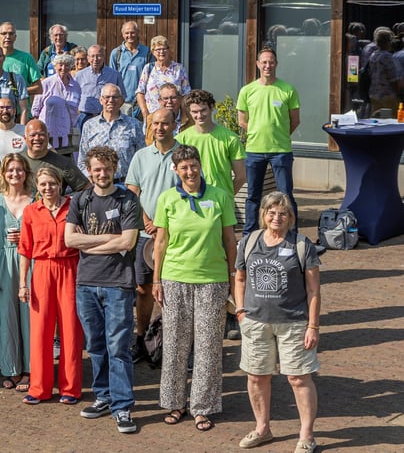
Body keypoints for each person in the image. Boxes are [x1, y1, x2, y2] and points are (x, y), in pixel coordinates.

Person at [152, 144, 237, 432]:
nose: (190, 172)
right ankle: (174, 403)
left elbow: (230, 240)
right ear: (176, 170)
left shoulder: (220, 196)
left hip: (212, 279)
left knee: (208, 346)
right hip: (175, 278)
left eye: (193, 165)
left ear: (200, 166)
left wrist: (232, 277)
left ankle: (203, 406)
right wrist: (156, 279)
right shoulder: (167, 199)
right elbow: (160, 243)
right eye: (184, 167)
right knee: (175, 344)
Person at [234, 191, 322, 453]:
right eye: (271, 212)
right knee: (256, 377)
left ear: (290, 217)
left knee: (298, 378)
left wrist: (313, 326)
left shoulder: (302, 245)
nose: (276, 217)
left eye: (283, 213)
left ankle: (306, 435)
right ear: (263, 215)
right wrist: (240, 311)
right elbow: (239, 278)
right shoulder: (249, 241)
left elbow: (314, 290)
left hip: (293, 323)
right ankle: (263, 429)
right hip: (256, 322)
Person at [64, 146, 142, 434]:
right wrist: (110, 239)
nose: (102, 173)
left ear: (115, 168)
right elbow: (69, 240)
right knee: (96, 345)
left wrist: (90, 243)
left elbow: (127, 242)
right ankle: (104, 396)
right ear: (89, 170)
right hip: (86, 283)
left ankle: (122, 406)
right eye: (97, 168)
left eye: (107, 168)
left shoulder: (128, 199)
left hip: (118, 283)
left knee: (118, 346)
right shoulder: (80, 199)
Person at [17, 165, 81, 405]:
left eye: (52, 183)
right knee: (40, 330)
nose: (48, 188)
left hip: (70, 268)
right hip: (42, 270)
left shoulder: (73, 207)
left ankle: (70, 388)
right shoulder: (31, 211)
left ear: (60, 184)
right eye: (43, 184)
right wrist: (22, 283)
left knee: (71, 329)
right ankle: (39, 388)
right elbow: (25, 249)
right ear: (37, 186)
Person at [125, 108, 182, 362]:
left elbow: (190, 189)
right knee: (143, 289)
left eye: (165, 123)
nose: (160, 128)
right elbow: (132, 193)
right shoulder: (141, 156)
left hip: (174, 234)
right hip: (145, 234)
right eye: (155, 123)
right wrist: (147, 221)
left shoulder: (183, 154)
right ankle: (141, 338)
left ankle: (169, 343)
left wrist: (163, 225)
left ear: (174, 125)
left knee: (173, 289)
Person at [237, 47, 300, 234]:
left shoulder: (288, 90)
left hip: (281, 151)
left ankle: (292, 233)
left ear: (276, 64)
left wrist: (279, 134)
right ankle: (249, 234)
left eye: (271, 62)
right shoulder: (247, 91)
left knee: (286, 195)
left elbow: (295, 120)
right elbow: (242, 121)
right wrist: (258, 132)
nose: (267, 65)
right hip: (254, 150)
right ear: (258, 64)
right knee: (253, 196)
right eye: (264, 62)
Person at [0, 153, 33, 391]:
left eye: (19, 169)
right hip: (3, 260)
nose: (15, 174)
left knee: (29, 315)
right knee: (6, 315)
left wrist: (25, 238)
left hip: (30, 261)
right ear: (3, 174)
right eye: (10, 170)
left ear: (26, 172)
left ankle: (31, 369)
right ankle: (10, 367)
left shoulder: (35, 200)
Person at [179, 90, 246, 198]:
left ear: (211, 107)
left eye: (203, 110)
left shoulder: (230, 138)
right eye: (195, 112)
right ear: (189, 112)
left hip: (221, 201)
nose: (199, 115)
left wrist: (226, 197)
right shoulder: (181, 139)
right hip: (192, 200)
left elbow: (241, 176)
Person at [78, 84, 144, 181]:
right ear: (101, 100)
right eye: (107, 97)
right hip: (97, 184)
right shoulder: (89, 125)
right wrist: (90, 178)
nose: (111, 100)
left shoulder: (134, 125)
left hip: (125, 183)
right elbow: (82, 160)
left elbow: (142, 158)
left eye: (115, 97)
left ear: (121, 100)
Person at [32, 54, 82, 150]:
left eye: (67, 65)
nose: (63, 68)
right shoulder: (46, 83)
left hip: (68, 131)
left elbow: (75, 109)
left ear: (71, 67)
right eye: (60, 65)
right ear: (55, 66)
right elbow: (36, 108)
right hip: (48, 131)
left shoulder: (76, 86)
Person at [135, 36, 192, 120]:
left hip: (174, 117)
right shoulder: (148, 68)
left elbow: (186, 93)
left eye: (164, 49)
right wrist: (145, 112)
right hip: (153, 116)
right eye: (158, 49)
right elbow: (140, 92)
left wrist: (184, 114)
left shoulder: (178, 68)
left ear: (169, 50)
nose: (161, 52)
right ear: (153, 52)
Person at [23, 121, 88, 193]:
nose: (37, 138)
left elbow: (86, 189)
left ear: (48, 136)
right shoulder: (18, 162)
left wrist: (68, 199)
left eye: (41, 134)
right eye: (32, 135)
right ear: (25, 138)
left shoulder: (64, 163)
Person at [0, 22, 42, 96]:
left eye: (11, 34)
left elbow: (38, 88)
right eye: (4, 33)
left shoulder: (26, 58)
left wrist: (15, 91)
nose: (7, 37)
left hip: (20, 103)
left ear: (15, 37)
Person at [74, 44, 123, 128]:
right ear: (88, 58)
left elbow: (122, 96)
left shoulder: (114, 75)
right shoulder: (79, 75)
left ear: (104, 57)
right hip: (84, 116)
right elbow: (74, 96)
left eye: (99, 56)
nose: (95, 59)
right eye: (92, 56)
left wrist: (113, 111)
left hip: (106, 116)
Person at [110, 21, 150, 110]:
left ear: (138, 33)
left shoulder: (147, 52)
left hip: (142, 102)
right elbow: (112, 79)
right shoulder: (116, 53)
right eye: (127, 33)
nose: (130, 35)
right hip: (122, 102)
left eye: (132, 32)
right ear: (122, 34)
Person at [365, 27, 403, 112]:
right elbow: (393, 79)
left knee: (377, 117)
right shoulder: (387, 57)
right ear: (388, 42)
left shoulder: (373, 55)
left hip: (374, 94)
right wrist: (398, 93)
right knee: (392, 118)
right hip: (387, 95)